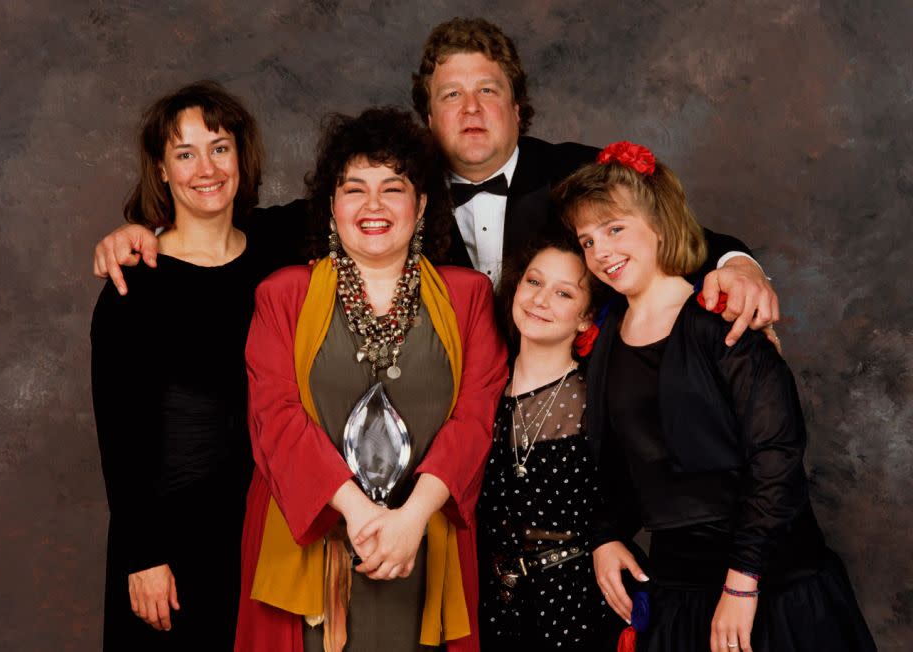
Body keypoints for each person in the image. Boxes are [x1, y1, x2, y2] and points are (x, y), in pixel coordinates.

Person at [91, 17, 778, 349]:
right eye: (452, 96)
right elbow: (262, 229)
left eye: (488, 91)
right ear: (428, 114)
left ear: (517, 105)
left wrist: (740, 264)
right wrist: (150, 232)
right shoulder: (392, 193)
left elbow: (680, 234)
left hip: (574, 433)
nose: (472, 110)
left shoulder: (576, 174)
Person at [557, 141, 876, 652]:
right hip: (679, 592)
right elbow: (624, 465)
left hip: (768, 585)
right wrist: (605, 535)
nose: (602, 253)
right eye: (588, 241)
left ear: (659, 223)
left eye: (614, 229)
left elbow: (776, 457)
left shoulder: (722, 320)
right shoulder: (607, 340)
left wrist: (742, 581)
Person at [235, 106, 508, 651]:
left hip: (425, 542)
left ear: (423, 203)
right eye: (354, 189)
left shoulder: (468, 296)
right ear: (331, 206)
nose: (373, 206)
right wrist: (359, 514)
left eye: (393, 188)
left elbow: (475, 421)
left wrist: (408, 522)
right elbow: (276, 421)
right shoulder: (282, 296)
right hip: (310, 544)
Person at [91, 81, 284, 649]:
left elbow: (369, 199)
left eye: (219, 147)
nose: (206, 168)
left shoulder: (279, 250)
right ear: (162, 170)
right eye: (185, 153)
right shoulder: (136, 281)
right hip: (167, 542)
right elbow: (119, 435)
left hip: (263, 529)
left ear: (240, 157)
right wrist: (142, 554)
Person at [476, 233, 627, 651]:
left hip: (573, 601)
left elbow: (629, 495)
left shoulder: (596, 398)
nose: (540, 300)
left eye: (563, 293)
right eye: (533, 282)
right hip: (492, 602)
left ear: (585, 317)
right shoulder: (481, 387)